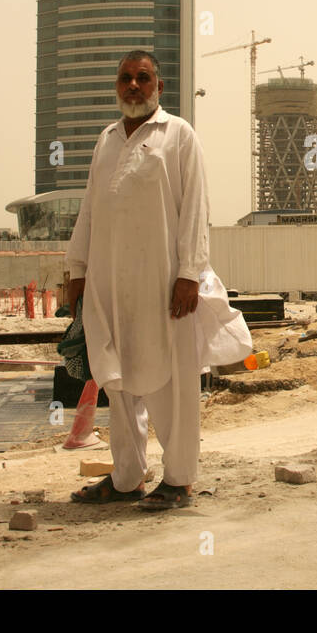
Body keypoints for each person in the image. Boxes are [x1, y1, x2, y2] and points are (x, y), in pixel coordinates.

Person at [65, 50, 210, 509]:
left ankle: (179, 479)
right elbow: (90, 209)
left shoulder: (178, 135)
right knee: (116, 380)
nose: (133, 86)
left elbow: (195, 209)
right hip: (109, 286)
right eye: (125, 78)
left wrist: (189, 273)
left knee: (171, 381)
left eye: (143, 78)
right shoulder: (107, 140)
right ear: (117, 86)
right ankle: (126, 478)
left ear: (158, 87)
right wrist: (77, 269)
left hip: (164, 286)